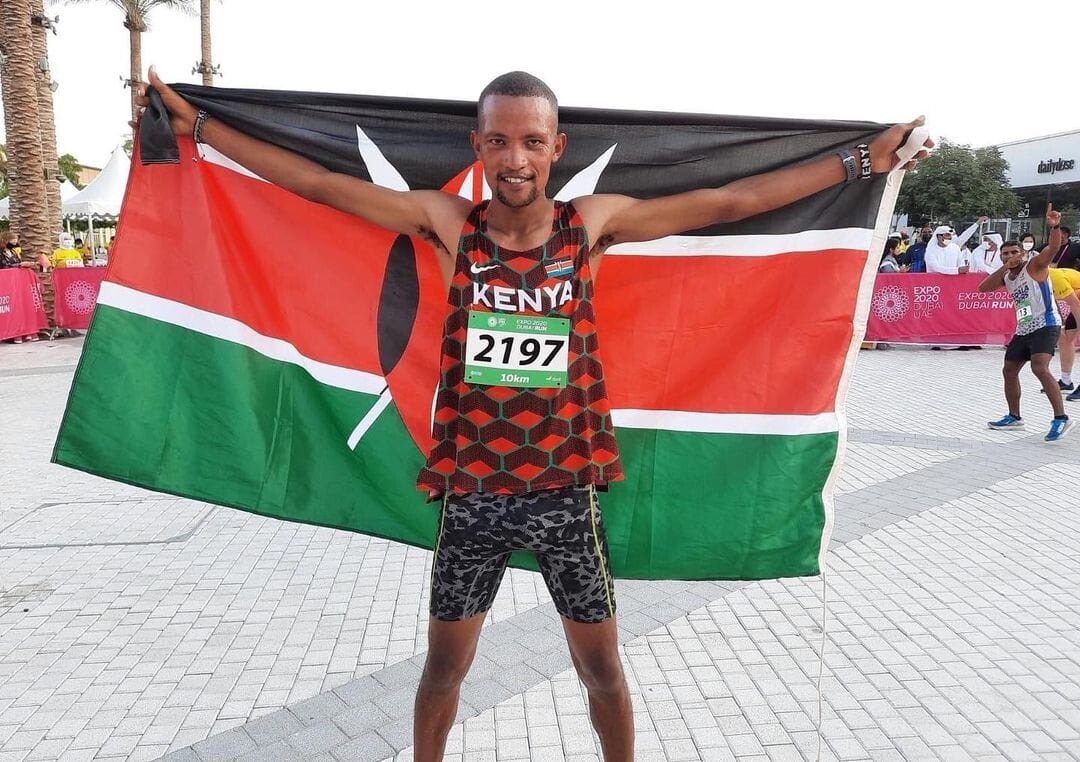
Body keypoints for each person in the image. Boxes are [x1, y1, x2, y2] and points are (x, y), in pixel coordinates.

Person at [137, 67, 930, 762]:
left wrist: (860, 161)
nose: (514, 159)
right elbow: (317, 184)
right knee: (443, 670)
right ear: (478, 147)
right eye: (498, 142)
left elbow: (729, 201)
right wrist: (200, 127)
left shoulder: (591, 226)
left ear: (557, 148)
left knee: (602, 669)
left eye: (531, 142)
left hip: (565, 497)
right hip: (473, 497)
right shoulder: (451, 225)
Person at [980, 205, 1072, 442]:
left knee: (1039, 368)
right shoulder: (1007, 275)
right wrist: (1005, 266)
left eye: (1014, 252)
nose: (1010, 256)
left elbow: (1053, 248)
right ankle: (1014, 417)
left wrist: (1054, 227)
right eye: (1005, 254)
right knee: (1009, 370)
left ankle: (1061, 418)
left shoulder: (1034, 266)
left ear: (1023, 253)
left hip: (1047, 323)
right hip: (1024, 327)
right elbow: (983, 288)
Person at [1047, 267, 1080, 393]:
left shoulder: (1055, 278)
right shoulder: (1037, 279)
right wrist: (1061, 322)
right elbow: (1053, 303)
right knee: (1065, 339)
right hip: (1077, 299)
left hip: (1077, 301)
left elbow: (1075, 304)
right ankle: (1066, 381)